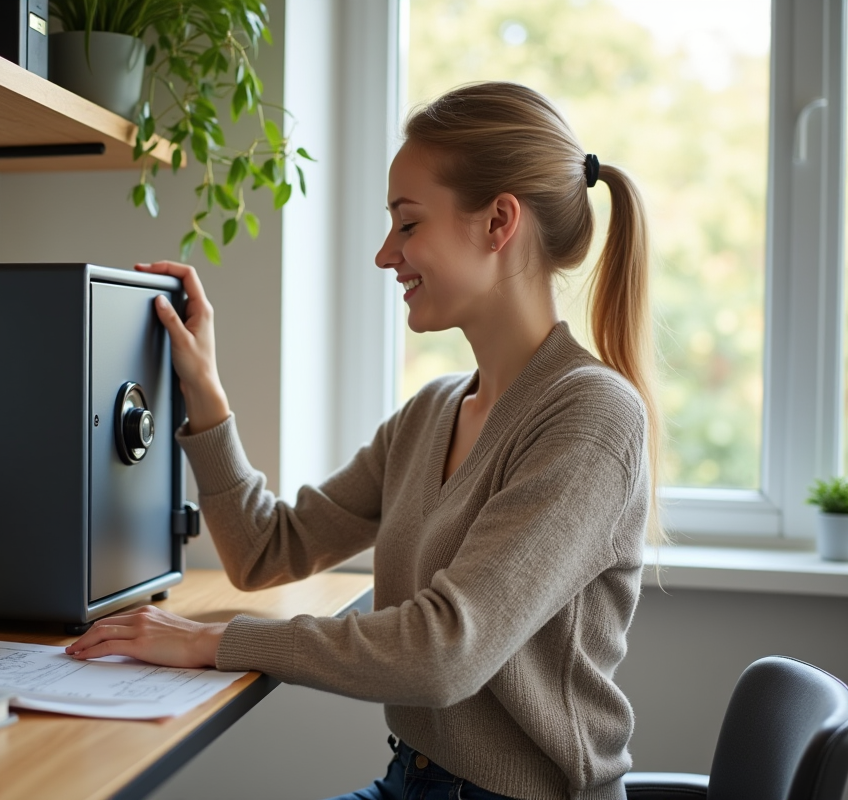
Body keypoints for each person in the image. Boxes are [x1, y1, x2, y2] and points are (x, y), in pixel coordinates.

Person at [65, 81, 661, 800]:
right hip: (412, 782)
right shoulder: (434, 411)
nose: (386, 255)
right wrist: (205, 394)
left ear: (499, 221)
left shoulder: (590, 417)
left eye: (408, 225)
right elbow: (264, 552)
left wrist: (212, 642)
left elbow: (444, 652)